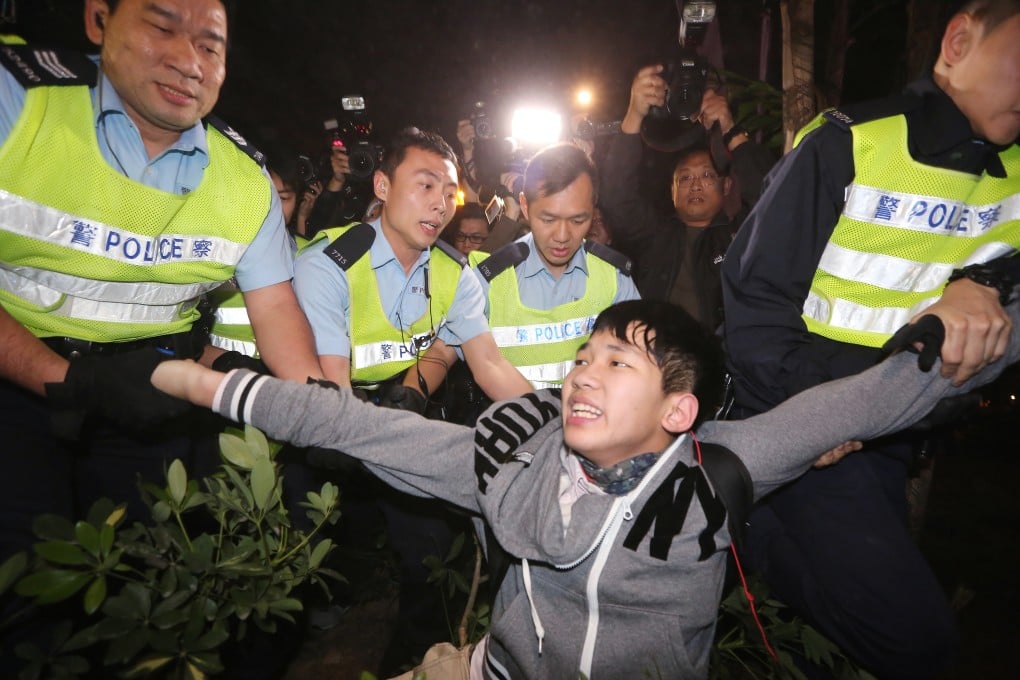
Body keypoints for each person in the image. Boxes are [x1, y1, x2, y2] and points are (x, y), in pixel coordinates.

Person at [150, 297, 1020, 680]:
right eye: (580, 357)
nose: (581, 375)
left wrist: (987, 322)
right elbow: (366, 429)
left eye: (617, 361)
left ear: (680, 408)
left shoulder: (717, 475)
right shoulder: (511, 461)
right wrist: (213, 387)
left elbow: (865, 397)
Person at [720, 2, 1020, 677]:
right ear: (958, 40)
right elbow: (756, 307)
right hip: (804, 425)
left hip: (900, 441)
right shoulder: (851, 141)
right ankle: (743, 522)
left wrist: (983, 281)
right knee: (919, 642)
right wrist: (822, 425)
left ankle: (741, 528)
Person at [0, 0, 323, 562]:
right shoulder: (16, 101)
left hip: (150, 404)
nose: (188, 61)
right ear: (98, 21)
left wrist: (326, 416)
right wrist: (67, 379)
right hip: (17, 385)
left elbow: (277, 312)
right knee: (23, 590)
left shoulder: (247, 182)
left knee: (146, 574)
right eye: (162, 26)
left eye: (209, 45)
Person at [292, 126, 531, 671]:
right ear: (381, 185)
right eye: (424, 186)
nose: (440, 205)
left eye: (449, 192)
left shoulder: (454, 271)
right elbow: (331, 391)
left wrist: (556, 425)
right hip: (325, 416)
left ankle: (413, 660)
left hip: (404, 412)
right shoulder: (328, 264)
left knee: (429, 557)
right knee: (312, 549)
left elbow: (489, 364)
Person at [412, 143, 641, 402]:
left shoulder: (614, 277)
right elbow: (441, 352)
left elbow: (639, 363)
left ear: (594, 208)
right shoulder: (489, 280)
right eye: (548, 219)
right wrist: (409, 397)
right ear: (524, 206)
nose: (563, 236)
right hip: (513, 435)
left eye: (578, 220)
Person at [600, 66, 774, 330]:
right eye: (684, 178)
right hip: (655, 359)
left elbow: (772, 200)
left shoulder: (737, 238)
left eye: (706, 176)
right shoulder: (654, 235)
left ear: (726, 186)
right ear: (671, 191)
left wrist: (730, 128)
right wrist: (634, 115)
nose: (694, 185)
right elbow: (616, 195)